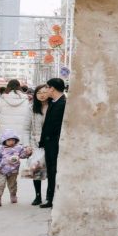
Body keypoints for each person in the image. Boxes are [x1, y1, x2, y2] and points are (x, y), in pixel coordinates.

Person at [38, 78, 67, 209]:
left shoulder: (63, 103)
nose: (46, 90)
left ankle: (52, 199)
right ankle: (50, 198)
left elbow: (57, 126)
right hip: (49, 143)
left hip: (55, 143)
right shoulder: (54, 102)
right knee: (50, 171)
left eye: (47, 87)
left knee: (54, 170)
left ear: (52, 88)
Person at [0, 79, 32, 159]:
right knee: (20, 151)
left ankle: (8, 164)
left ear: (8, 86)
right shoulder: (25, 98)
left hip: (6, 132)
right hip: (21, 130)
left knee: (7, 152)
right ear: (19, 86)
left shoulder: (3, 98)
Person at [24, 84, 51, 205]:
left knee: (51, 171)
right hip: (36, 143)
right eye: (39, 93)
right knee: (36, 170)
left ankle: (49, 196)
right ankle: (38, 196)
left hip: (50, 142)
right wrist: (27, 145)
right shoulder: (31, 108)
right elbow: (26, 129)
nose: (42, 95)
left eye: (44, 92)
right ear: (35, 95)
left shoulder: (53, 106)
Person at [0, 129, 31, 206]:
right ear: (4, 140)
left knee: (12, 184)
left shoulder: (18, 148)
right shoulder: (0, 148)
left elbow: (22, 155)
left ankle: (13, 195)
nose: (11, 142)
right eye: (9, 140)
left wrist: (27, 153)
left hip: (13, 171)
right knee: (1, 184)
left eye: (13, 140)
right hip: (1, 170)